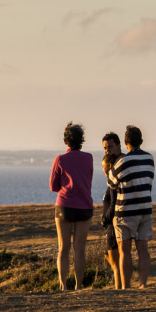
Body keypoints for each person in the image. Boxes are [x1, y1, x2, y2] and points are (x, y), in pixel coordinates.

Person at [49, 122, 93, 291]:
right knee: (79, 249)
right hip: (85, 205)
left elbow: (53, 186)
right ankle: (79, 285)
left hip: (64, 205)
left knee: (63, 248)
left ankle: (63, 285)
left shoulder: (60, 159)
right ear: (81, 140)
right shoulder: (88, 158)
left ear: (65, 140)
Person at [109, 125, 155, 289]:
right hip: (145, 209)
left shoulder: (123, 161)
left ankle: (126, 286)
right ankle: (143, 284)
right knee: (143, 249)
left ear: (125, 141)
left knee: (125, 251)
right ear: (141, 141)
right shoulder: (150, 159)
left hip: (126, 210)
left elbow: (111, 182)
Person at [100, 132, 124, 289]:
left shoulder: (119, 169)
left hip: (114, 223)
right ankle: (122, 287)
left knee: (116, 264)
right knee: (117, 260)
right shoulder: (111, 176)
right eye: (104, 148)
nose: (107, 150)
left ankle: (120, 288)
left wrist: (105, 219)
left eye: (109, 147)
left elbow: (114, 200)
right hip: (114, 223)